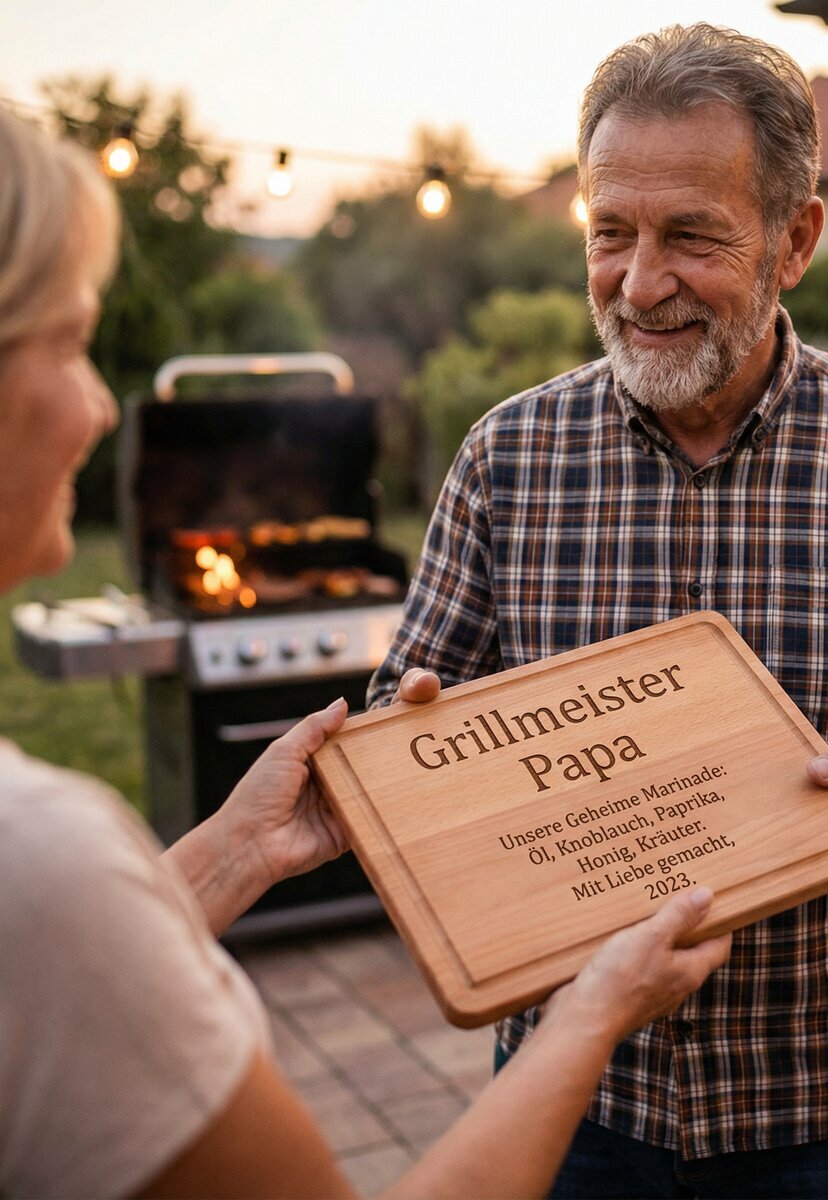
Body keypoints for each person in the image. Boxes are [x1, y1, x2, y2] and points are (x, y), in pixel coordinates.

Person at [368, 23, 828, 1200]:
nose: (640, 284)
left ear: (795, 240)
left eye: (691, 235)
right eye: (610, 234)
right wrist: (423, 752)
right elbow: (404, 723)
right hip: (577, 1101)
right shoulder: (508, 457)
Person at [0, 105, 731, 1200]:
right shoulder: (44, 860)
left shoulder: (51, 878)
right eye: (66, 342)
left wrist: (233, 854)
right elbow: (57, 932)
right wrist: (592, 1012)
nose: (104, 408)